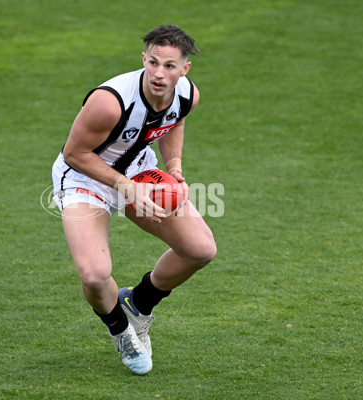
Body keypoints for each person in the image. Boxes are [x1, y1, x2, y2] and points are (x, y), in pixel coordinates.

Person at [51, 25, 217, 375]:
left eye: (169, 66)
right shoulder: (110, 102)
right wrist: (123, 186)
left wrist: (174, 168)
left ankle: (138, 305)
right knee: (95, 276)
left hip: (139, 174)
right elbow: (74, 154)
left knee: (200, 249)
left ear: (184, 70)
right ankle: (121, 331)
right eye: (153, 63)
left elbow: (173, 123)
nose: (159, 73)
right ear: (144, 59)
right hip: (85, 179)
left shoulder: (187, 95)